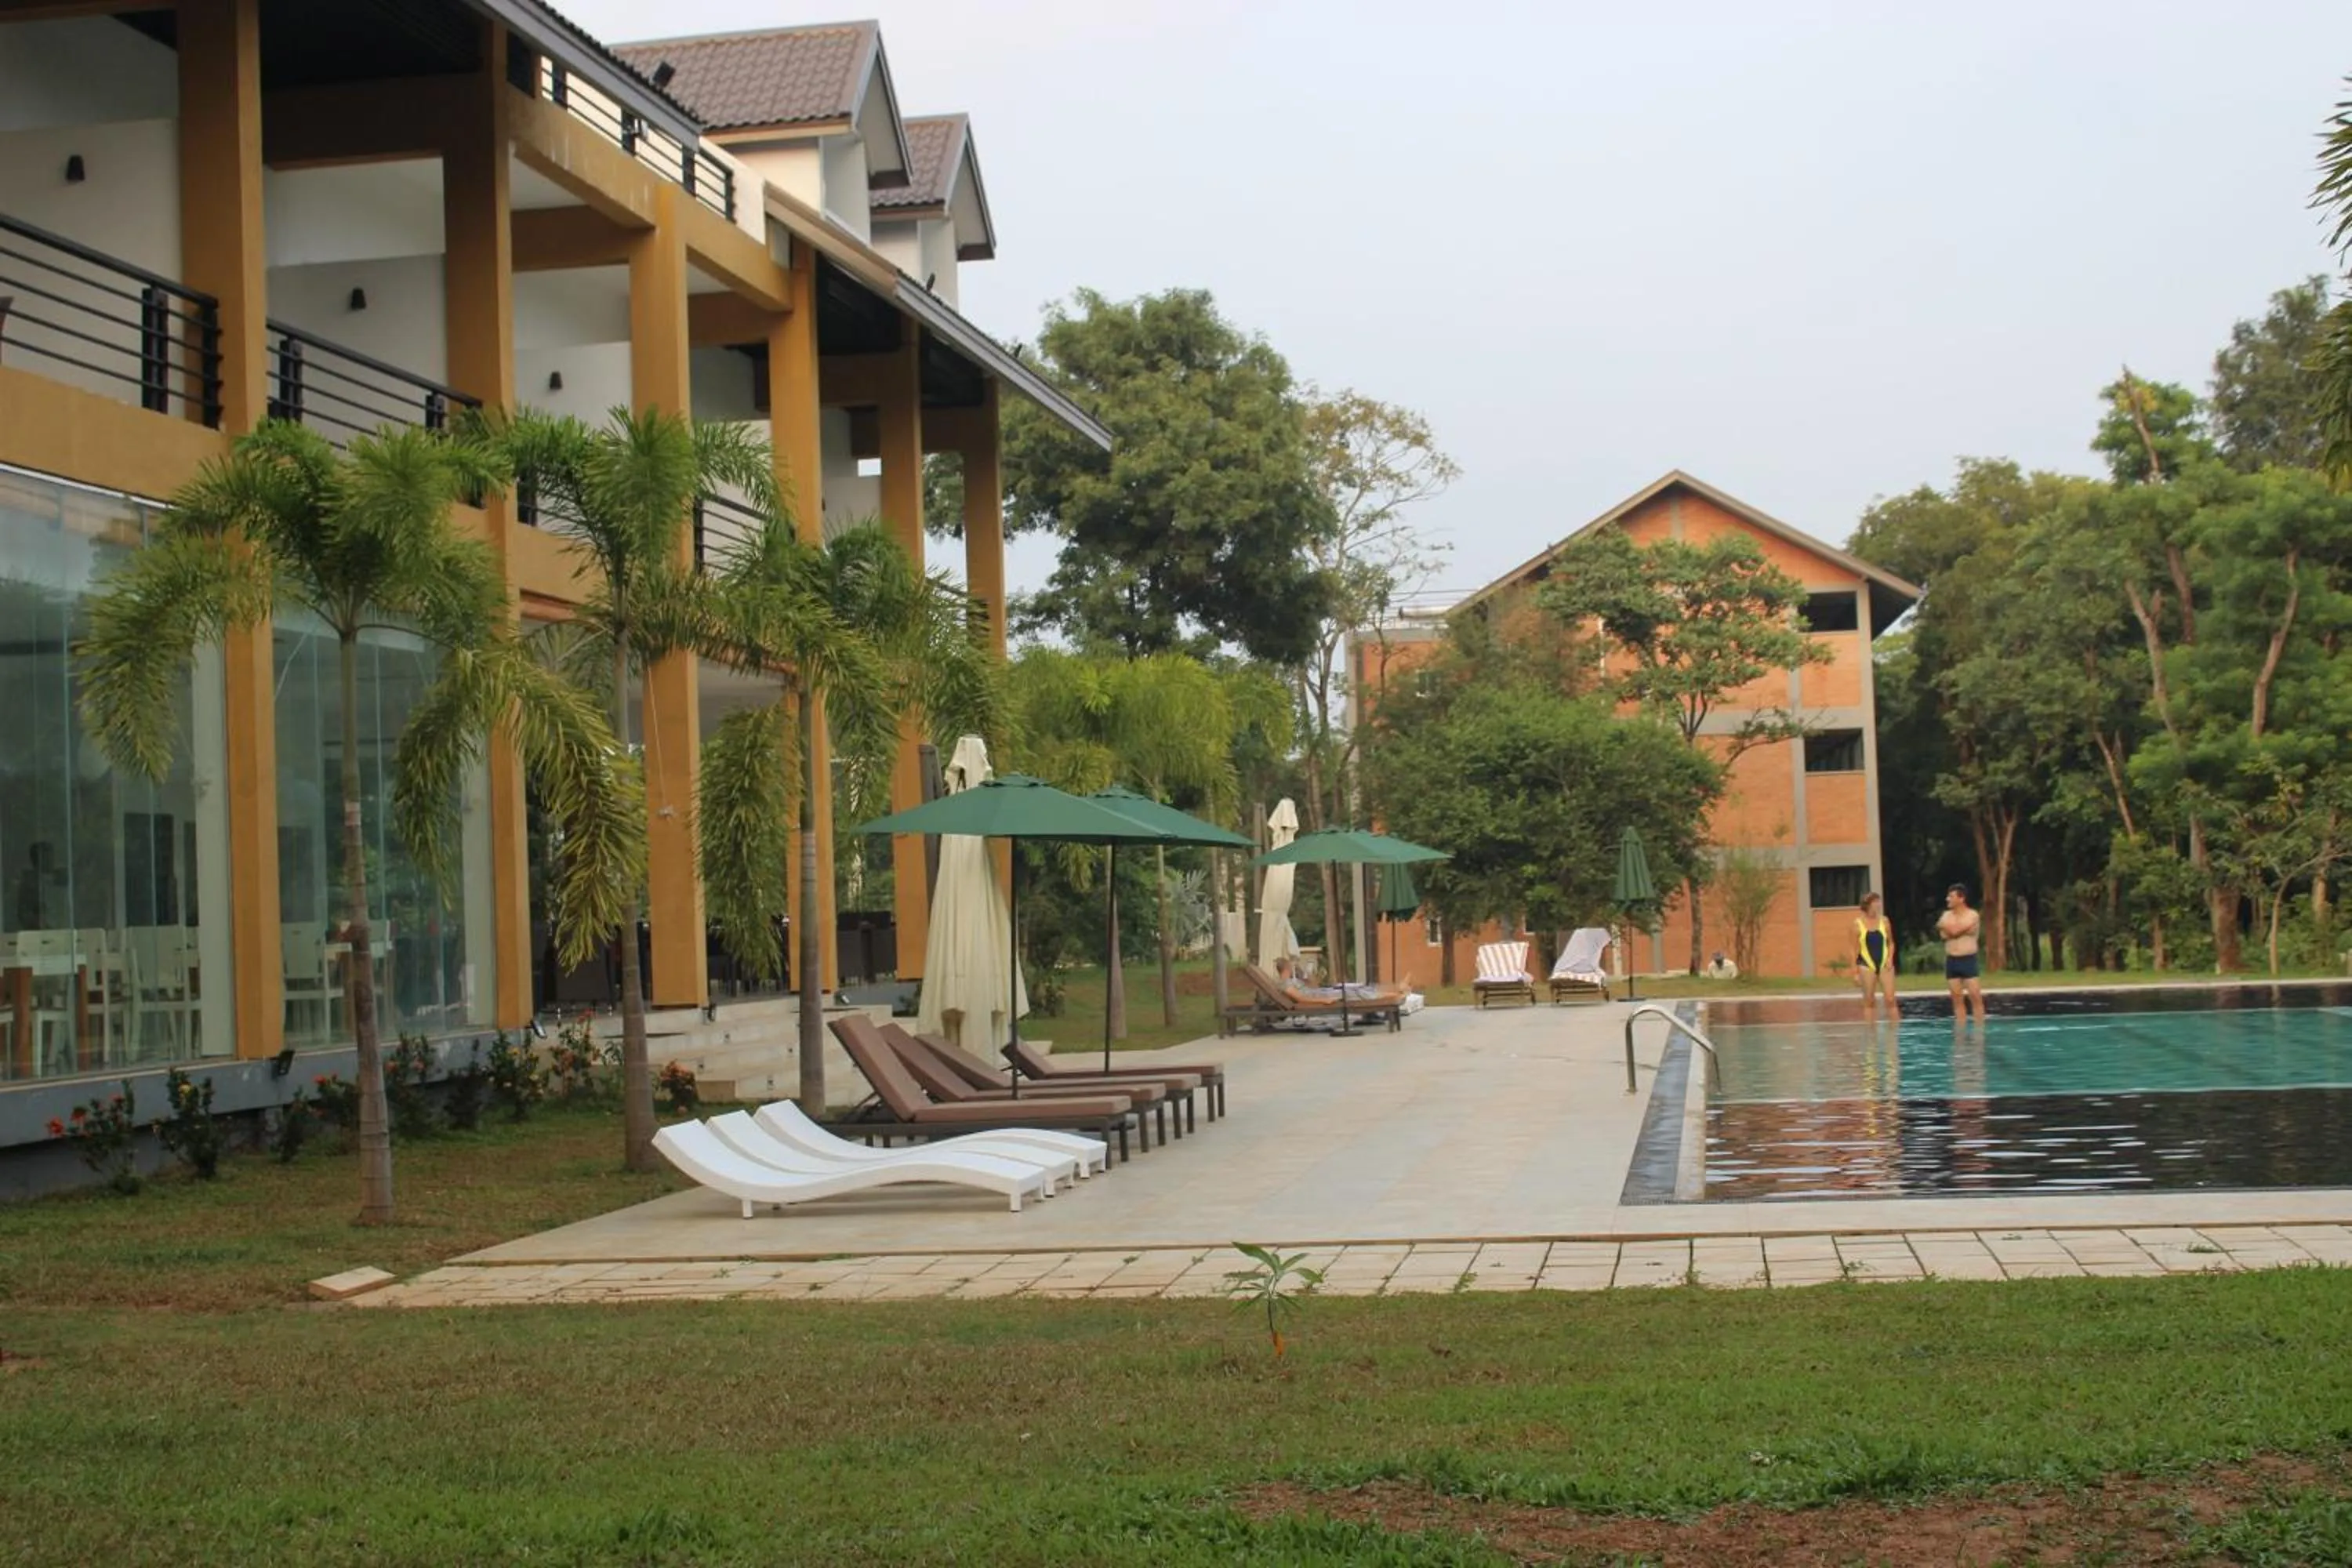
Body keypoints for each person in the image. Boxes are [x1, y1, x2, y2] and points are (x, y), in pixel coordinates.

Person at [1936, 884, 1985, 1022]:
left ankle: (1979, 1031)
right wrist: (1957, 930)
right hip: (1952, 960)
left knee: (1975, 998)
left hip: (1968, 959)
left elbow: (1953, 932)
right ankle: (1961, 1031)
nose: (1947, 899)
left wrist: (1948, 929)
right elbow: (1944, 935)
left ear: (1961, 898)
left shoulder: (1972, 915)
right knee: (1957, 1000)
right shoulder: (1946, 915)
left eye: (1951, 897)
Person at [1853, 892, 1897, 1017]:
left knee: (1890, 999)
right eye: (1875, 902)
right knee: (1869, 1001)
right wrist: (1855, 972)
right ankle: (1871, 1033)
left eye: (1879, 902)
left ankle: (1895, 1033)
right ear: (1868, 905)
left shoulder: (1885, 921)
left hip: (1884, 963)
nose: (1878, 905)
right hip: (1866, 964)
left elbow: (1891, 943)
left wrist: (1890, 959)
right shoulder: (1857, 924)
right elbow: (1854, 949)